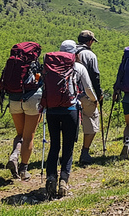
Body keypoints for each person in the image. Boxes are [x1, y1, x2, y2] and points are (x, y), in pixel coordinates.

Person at [44, 40, 97, 199]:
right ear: (74, 53)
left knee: (54, 145)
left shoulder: (49, 67)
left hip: (52, 110)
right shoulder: (78, 67)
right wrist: (94, 100)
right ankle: (64, 181)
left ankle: (51, 177)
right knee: (68, 147)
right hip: (70, 110)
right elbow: (88, 88)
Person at [3, 43, 43, 181]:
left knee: (20, 134)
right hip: (31, 99)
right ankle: (23, 170)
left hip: (14, 100)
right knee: (28, 136)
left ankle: (14, 156)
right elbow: (39, 81)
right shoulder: (34, 65)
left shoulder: (12, 64)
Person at [75, 30, 101, 165]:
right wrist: (98, 95)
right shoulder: (90, 54)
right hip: (86, 94)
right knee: (92, 120)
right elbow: (95, 76)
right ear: (90, 41)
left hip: (69, 95)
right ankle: (85, 152)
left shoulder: (69, 52)